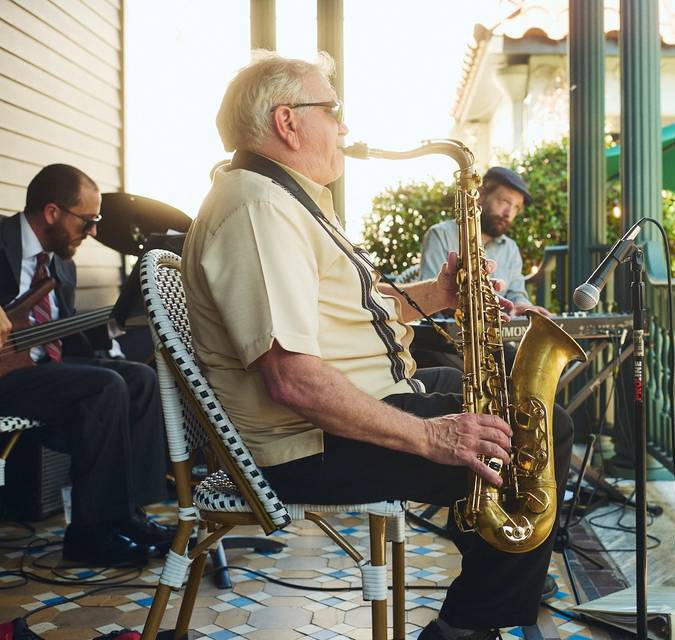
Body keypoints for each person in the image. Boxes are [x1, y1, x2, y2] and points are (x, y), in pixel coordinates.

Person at [181, 52, 573, 639]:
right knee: (539, 432)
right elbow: (291, 379)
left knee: (516, 406)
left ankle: (496, 560)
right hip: (304, 444)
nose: (343, 126)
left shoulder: (285, 201)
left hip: (355, 405)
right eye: (331, 110)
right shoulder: (259, 206)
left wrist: (440, 295)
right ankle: (471, 624)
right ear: (287, 122)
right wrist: (431, 436)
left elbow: (352, 311)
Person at [0, 164, 174, 566]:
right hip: (9, 378)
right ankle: (89, 534)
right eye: (89, 220)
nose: (94, 231)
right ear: (52, 212)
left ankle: (129, 515)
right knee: (105, 387)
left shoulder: (62, 265)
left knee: (140, 378)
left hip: (44, 370)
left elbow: (64, 336)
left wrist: (116, 325)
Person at [419, 166, 549, 317]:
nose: (509, 213)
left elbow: (516, 293)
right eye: (505, 201)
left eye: (516, 208)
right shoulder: (440, 234)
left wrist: (521, 305)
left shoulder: (511, 248)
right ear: (480, 195)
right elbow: (430, 298)